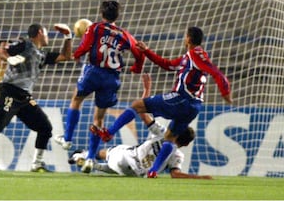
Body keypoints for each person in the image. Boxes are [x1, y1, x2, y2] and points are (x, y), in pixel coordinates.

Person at [96, 26, 233, 178]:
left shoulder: (196, 54)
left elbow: (216, 72)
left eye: (185, 36)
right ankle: (153, 171)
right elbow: (167, 65)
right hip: (194, 107)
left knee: (137, 105)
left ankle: (109, 133)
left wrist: (225, 91)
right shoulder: (188, 57)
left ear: (188, 38)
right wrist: (147, 51)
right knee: (169, 138)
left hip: (182, 99)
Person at [0, 23, 73, 172]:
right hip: (9, 91)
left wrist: (68, 36)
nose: (48, 37)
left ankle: (37, 163)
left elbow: (66, 56)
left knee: (45, 127)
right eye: (47, 34)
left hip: (24, 96)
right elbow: (3, 49)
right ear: (40, 32)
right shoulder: (25, 44)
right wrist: (9, 58)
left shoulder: (42, 54)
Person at [54, 0, 145, 173]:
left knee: (76, 99)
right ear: (117, 16)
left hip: (93, 71)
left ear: (101, 14)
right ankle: (89, 159)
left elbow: (86, 45)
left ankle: (67, 138)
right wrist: (136, 67)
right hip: (111, 78)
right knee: (99, 118)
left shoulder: (95, 28)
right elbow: (138, 53)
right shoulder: (124, 35)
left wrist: (78, 54)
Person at [68, 125, 212, 179]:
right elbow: (175, 174)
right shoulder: (178, 155)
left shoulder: (162, 132)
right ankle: (94, 165)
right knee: (119, 168)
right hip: (133, 173)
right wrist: (200, 178)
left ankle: (84, 155)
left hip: (124, 156)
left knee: (111, 152)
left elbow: (144, 115)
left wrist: (147, 90)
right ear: (186, 144)